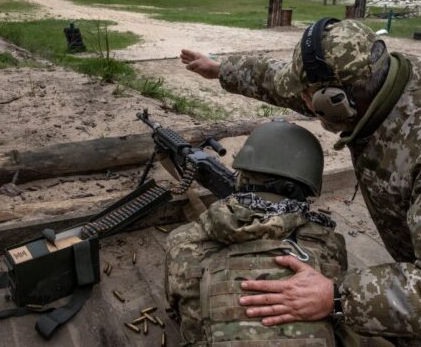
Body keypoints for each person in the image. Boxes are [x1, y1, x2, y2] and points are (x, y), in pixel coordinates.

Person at [179, 18, 421, 346]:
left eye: (310, 99)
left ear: (336, 101)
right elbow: (286, 84)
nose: (302, 101)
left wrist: (337, 296)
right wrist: (222, 70)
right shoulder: (378, 80)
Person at [165, 120, 390, 346]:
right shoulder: (328, 242)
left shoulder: (182, 240)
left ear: (242, 176)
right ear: (305, 189)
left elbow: (178, 306)